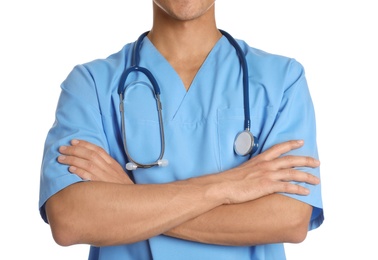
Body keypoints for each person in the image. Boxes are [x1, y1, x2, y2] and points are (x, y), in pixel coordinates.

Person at [39, 1, 324, 259]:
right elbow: (70, 220)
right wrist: (228, 187)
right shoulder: (91, 85)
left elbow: (290, 219)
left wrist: (131, 197)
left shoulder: (282, 80)